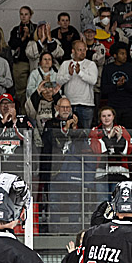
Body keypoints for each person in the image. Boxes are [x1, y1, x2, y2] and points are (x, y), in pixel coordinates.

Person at [42, 97, 83, 231]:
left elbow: (83, 143)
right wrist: (66, 128)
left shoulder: (77, 123)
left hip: (73, 170)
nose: (66, 110)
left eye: (68, 107)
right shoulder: (50, 124)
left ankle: (75, 233)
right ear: (56, 108)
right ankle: (54, 233)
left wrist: (75, 128)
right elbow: (51, 142)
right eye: (63, 107)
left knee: (74, 203)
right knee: (54, 204)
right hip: (55, 171)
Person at [88, 106, 132, 197]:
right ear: (100, 118)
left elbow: (128, 150)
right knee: (102, 203)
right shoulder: (95, 131)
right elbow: (96, 149)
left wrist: (120, 138)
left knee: (117, 203)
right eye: (103, 116)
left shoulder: (122, 130)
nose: (106, 118)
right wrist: (109, 138)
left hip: (120, 172)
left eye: (109, 115)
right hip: (102, 173)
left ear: (113, 117)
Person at [56, 39, 98, 129]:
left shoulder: (91, 64)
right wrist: (69, 75)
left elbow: (93, 81)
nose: (82, 52)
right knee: (69, 132)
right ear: (73, 51)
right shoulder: (65, 64)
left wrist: (80, 73)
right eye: (79, 50)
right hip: (69, 106)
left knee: (85, 134)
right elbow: (58, 82)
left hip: (86, 105)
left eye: (84, 50)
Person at [102, 43, 132, 129]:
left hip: (128, 106)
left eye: (126, 54)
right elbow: (104, 89)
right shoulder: (108, 68)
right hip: (113, 105)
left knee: (128, 132)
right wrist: (116, 85)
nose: (125, 56)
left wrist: (124, 84)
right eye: (122, 54)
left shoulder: (131, 67)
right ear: (115, 55)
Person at [8, 6, 36, 103]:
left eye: (26, 14)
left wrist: (29, 36)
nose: (23, 17)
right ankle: (22, 111)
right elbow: (12, 44)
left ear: (30, 15)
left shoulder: (36, 28)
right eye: (21, 14)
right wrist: (23, 37)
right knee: (20, 89)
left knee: (34, 87)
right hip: (20, 62)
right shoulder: (15, 30)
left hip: (34, 61)